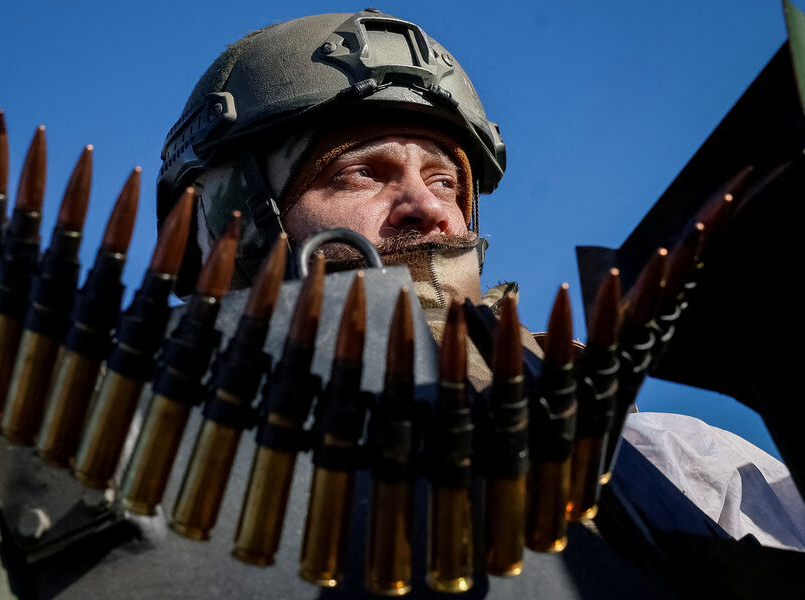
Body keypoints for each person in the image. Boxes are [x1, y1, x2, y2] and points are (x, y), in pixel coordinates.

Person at [153, 8, 804, 597]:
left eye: (445, 181)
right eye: (362, 172)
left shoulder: (675, 464)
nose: (429, 208)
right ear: (234, 220)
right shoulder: (154, 464)